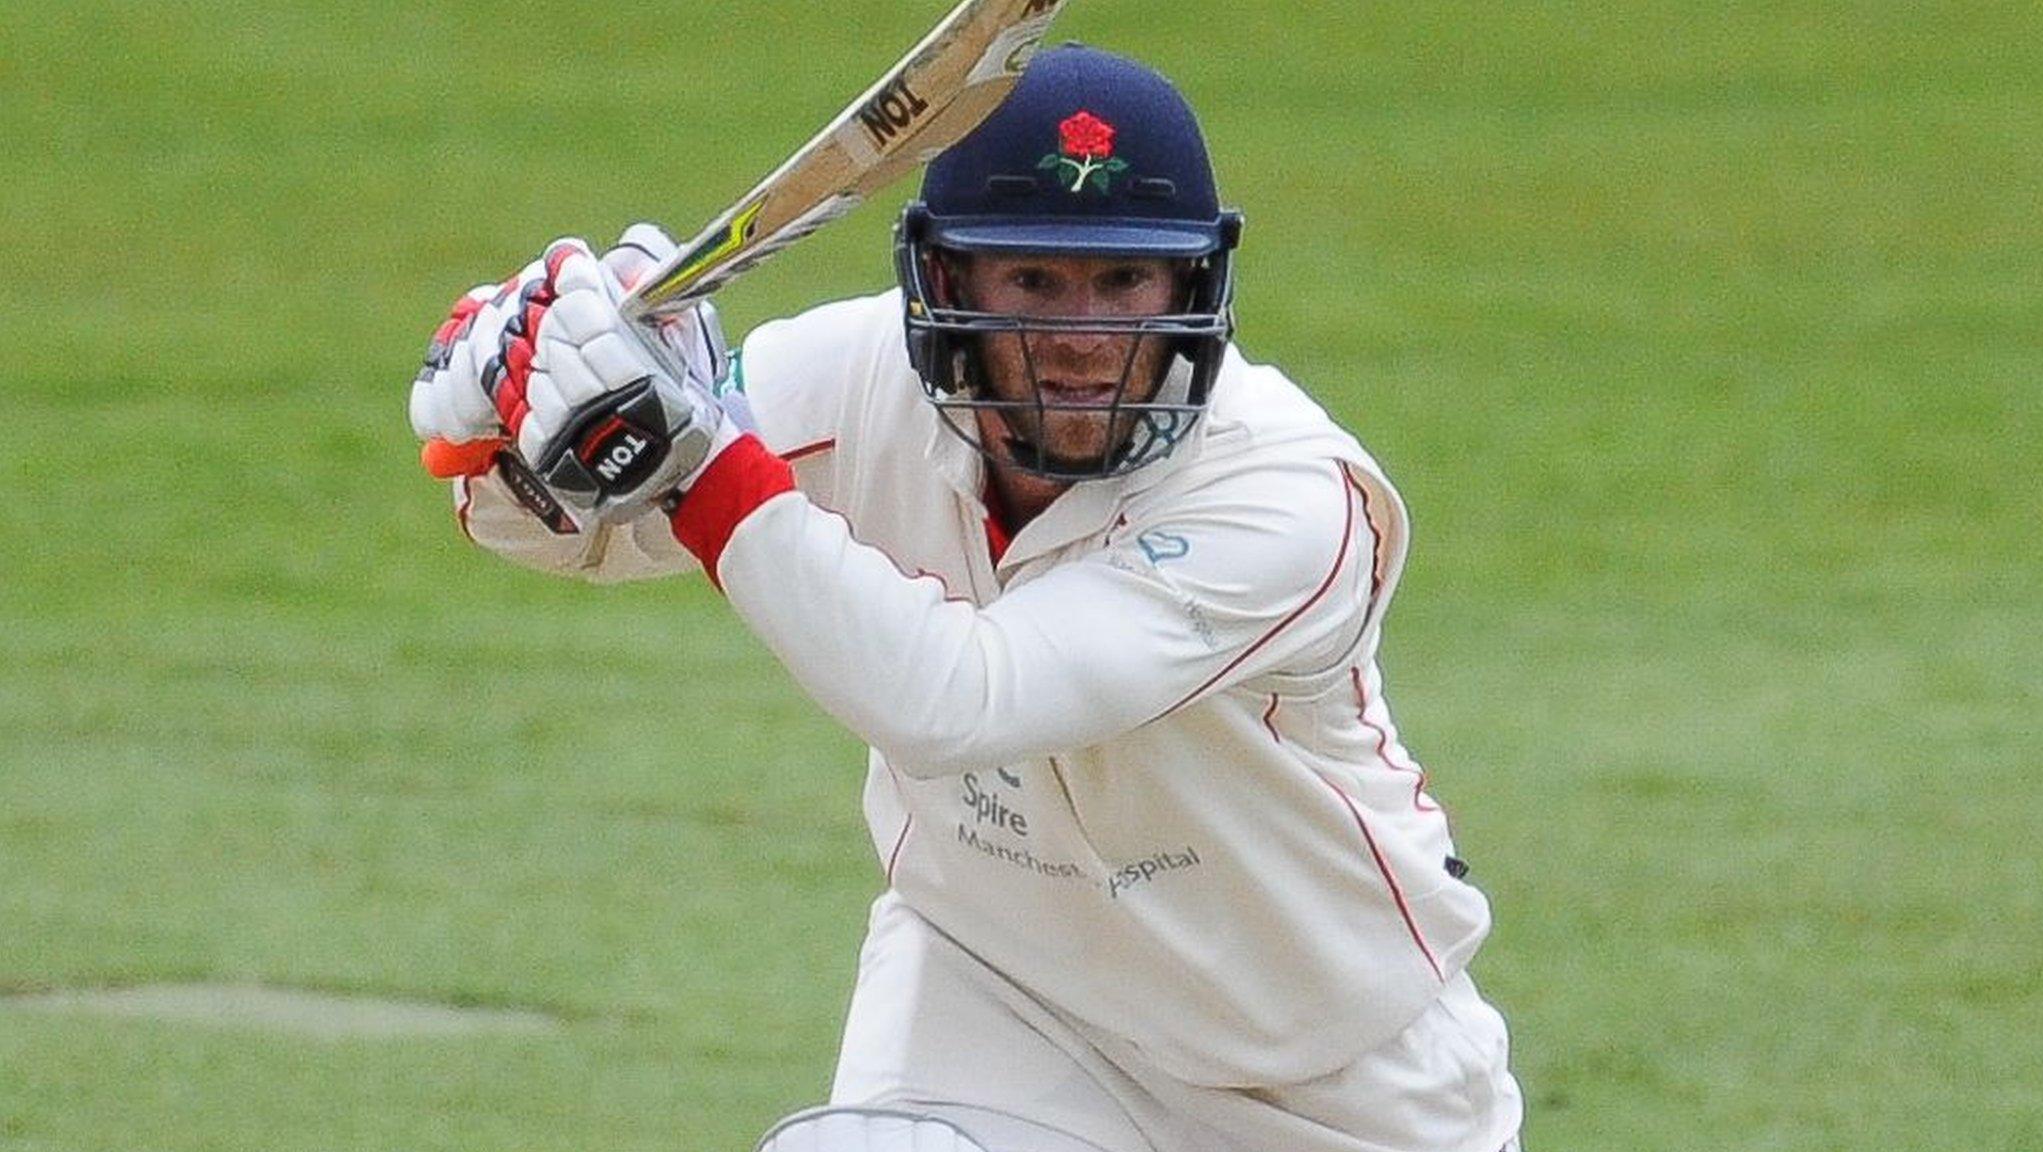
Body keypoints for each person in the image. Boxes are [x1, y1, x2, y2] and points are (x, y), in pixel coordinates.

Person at [410, 44, 1524, 1152]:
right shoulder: (854, 378)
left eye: (1124, 280)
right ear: (945, 281)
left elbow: (955, 701)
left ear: (1191, 283)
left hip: (1331, 1078)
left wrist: (697, 458)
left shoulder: (1287, 499)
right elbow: (573, 533)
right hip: (1002, 998)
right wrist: (507, 407)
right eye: (1033, 279)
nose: (1084, 340)